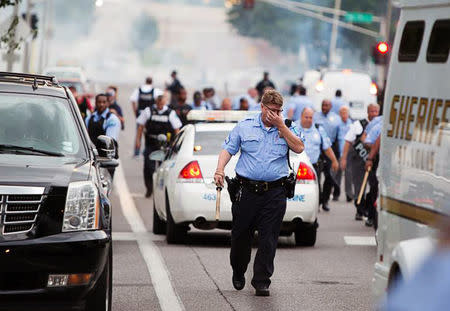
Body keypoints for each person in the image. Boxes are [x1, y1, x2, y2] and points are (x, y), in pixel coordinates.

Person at [214, 90, 304, 297]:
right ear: (262, 107)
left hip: (275, 191)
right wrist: (220, 169)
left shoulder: (287, 127)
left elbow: (299, 147)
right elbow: (228, 149)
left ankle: (262, 280)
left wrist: (282, 126)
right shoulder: (245, 126)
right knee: (240, 235)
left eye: (278, 111)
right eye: (271, 110)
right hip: (246, 191)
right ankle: (238, 269)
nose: (275, 114)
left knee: (269, 238)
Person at [135, 90, 182, 197]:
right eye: (158, 103)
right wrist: (138, 141)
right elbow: (141, 126)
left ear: (165, 102)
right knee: (148, 167)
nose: (160, 105)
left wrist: (176, 144)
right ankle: (149, 188)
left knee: (163, 168)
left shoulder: (170, 113)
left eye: (162, 103)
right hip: (150, 143)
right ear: (156, 102)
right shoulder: (148, 111)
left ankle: (160, 190)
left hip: (165, 145)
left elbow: (176, 129)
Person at [340, 103, 380, 220]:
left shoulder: (380, 124)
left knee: (373, 186)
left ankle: (368, 209)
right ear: (368, 112)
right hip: (358, 161)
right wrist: (343, 158)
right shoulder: (358, 124)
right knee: (359, 186)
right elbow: (348, 141)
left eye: (376, 112)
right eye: (371, 111)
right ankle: (359, 210)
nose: (374, 114)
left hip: (373, 161)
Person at [299, 107, 339, 209]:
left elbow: (327, 147)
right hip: (297, 166)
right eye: (306, 117)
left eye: (310, 117)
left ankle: (317, 207)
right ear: (301, 117)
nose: (308, 119)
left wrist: (334, 161)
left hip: (313, 166)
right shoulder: (294, 127)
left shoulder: (318, 129)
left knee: (315, 189)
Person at [314, 99, 341, 211]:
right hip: (318, 147)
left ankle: (325, 201)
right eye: (323, 105)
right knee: (317, 176)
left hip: (331, 148)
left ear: (331, 106)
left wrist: (340, 154)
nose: (324, 107)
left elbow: (340, 136)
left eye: (327, 105)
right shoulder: (315, 116)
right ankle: (318, 201)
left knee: (329, 176)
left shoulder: (336, 119)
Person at [85, 93, 121, 178]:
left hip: (106, 159)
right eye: (99, 102)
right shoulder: (89, 118)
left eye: (104, 102)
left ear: (108, 103)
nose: (101, 104)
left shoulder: (112, 119)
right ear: (95, 103)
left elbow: (109, 141)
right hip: (91, 158)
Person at [363, 117, 383, 227]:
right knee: (375, 188)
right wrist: (370, 159)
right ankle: (371, 216)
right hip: (380, 160)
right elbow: (375, 143)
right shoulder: (381, 125)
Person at [130, 77, 155, 156]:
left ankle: (136, 152)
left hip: (140, 114)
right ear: (151, 82)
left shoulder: (139, 90)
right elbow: (161, 99)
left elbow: (133, 100)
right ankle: (147, 151)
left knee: (138, 133)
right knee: (150, 133)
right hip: (150, 115)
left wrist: (135, 112)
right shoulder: (154, 90)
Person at [336, 105, 353, 202]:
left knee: (348, 174)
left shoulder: (351, 125)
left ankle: (349, 194)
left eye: (345, 113)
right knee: (337, 173)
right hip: (339, 152)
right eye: (342, 113)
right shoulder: (338, 124)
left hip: (348, 153)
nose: (343, 115)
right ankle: (336, 192)